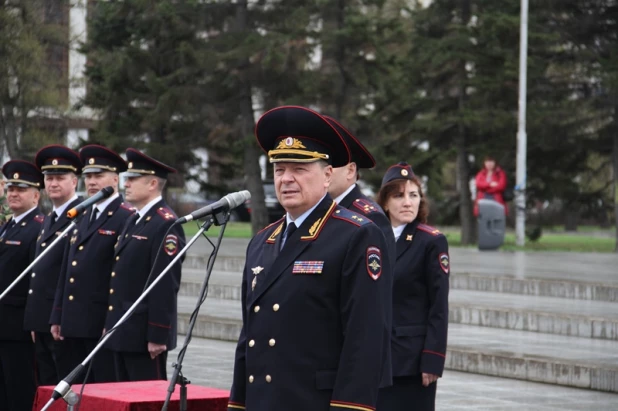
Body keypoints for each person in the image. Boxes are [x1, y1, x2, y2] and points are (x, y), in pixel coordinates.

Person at [228, 106, 391, 411]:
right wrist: (239, 403)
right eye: (279, 169)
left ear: (328, 175)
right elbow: (250, 335)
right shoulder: (262, 241)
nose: (286, 179)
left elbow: (365, 337)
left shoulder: (356, 235)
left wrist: (349, 407)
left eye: (299, 169)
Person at [50, 145, 135, 383]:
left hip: (100, 321)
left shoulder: (125, 216)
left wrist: (112, 322)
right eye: (88, 176)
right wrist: (58, 315)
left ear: (115, 179)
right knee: (72, 391)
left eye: (99, 176)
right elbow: (67, 270)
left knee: (101, 388)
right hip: (73, 320)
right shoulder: (83, 215)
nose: (92, 182)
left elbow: (121, 277)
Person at [323, 115, 395, 388]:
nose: (323, 173)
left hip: (354, 362)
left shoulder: (368, 218)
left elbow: (374, 300)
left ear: (351, 171)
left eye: (330, 166)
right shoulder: (320, 212)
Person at [104, 148, 185, 382]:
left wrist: (158, 334)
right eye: (126, 178)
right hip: (121, 329)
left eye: (132, 179)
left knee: (147, 401)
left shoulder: (165, 224)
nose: (125, 184)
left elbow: (165, 283)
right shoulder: (134, 219)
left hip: (143, 335)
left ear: (152, 183)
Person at [375, 162, 449, 411]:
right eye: (398, 195)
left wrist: (433, 359)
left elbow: (439, 306)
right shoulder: (371, 238)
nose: (407, 202)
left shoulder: (431, 241)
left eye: (413, 195)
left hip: (411, 361)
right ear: (385, 203)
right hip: (376, 358)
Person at [25, 145, 83, 385]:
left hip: (62, 319)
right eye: (49, 178)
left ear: (74, 181)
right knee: (46, 384)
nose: (53, 183)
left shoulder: (81, 216)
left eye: (60, 178)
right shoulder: (50, 218)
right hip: (42, 318)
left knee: (64, 384)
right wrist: (34, 318)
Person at [0, 161, 44, 410]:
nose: (14, 194)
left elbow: (36, 282)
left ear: (36, 195)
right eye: (11, 189)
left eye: (22, 189)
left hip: (19, 328)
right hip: (3, 326)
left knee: (20, 392)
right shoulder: (9, 226)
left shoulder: (38, 227)